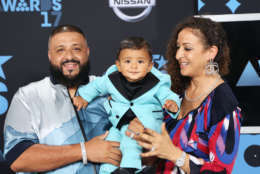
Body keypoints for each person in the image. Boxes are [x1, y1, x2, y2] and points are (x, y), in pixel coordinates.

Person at [127, 16, 242, 174]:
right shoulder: (175, 92)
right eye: (177, 47)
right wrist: (145, 140)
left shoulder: (223, 104)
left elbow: (220, 171)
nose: (178, 55)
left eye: (187, 48)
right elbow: (156, 157)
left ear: (211, 52)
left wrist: (175, 155)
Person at [3, 25, 122, 174]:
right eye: (60, 50)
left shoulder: (111, 89)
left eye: (76, 49)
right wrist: (84, 151)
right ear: (50, 56)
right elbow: (18, 159)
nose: (69, 56)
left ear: (87, 52)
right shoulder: (28, 96)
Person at [73, 37, 181, 174]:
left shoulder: (157, 82)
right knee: (111, 142)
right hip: (119, 124)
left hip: (146, 125)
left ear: (150, 66)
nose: (134, 66)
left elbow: (168, 95)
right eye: (128, 61)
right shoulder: (111, 79)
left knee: (131, 142)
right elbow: (96, 86)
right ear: (118, 65)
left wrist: (172, 104)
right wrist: (83, 97)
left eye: (140, 62)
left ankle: (130, 169)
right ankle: (107, 171)